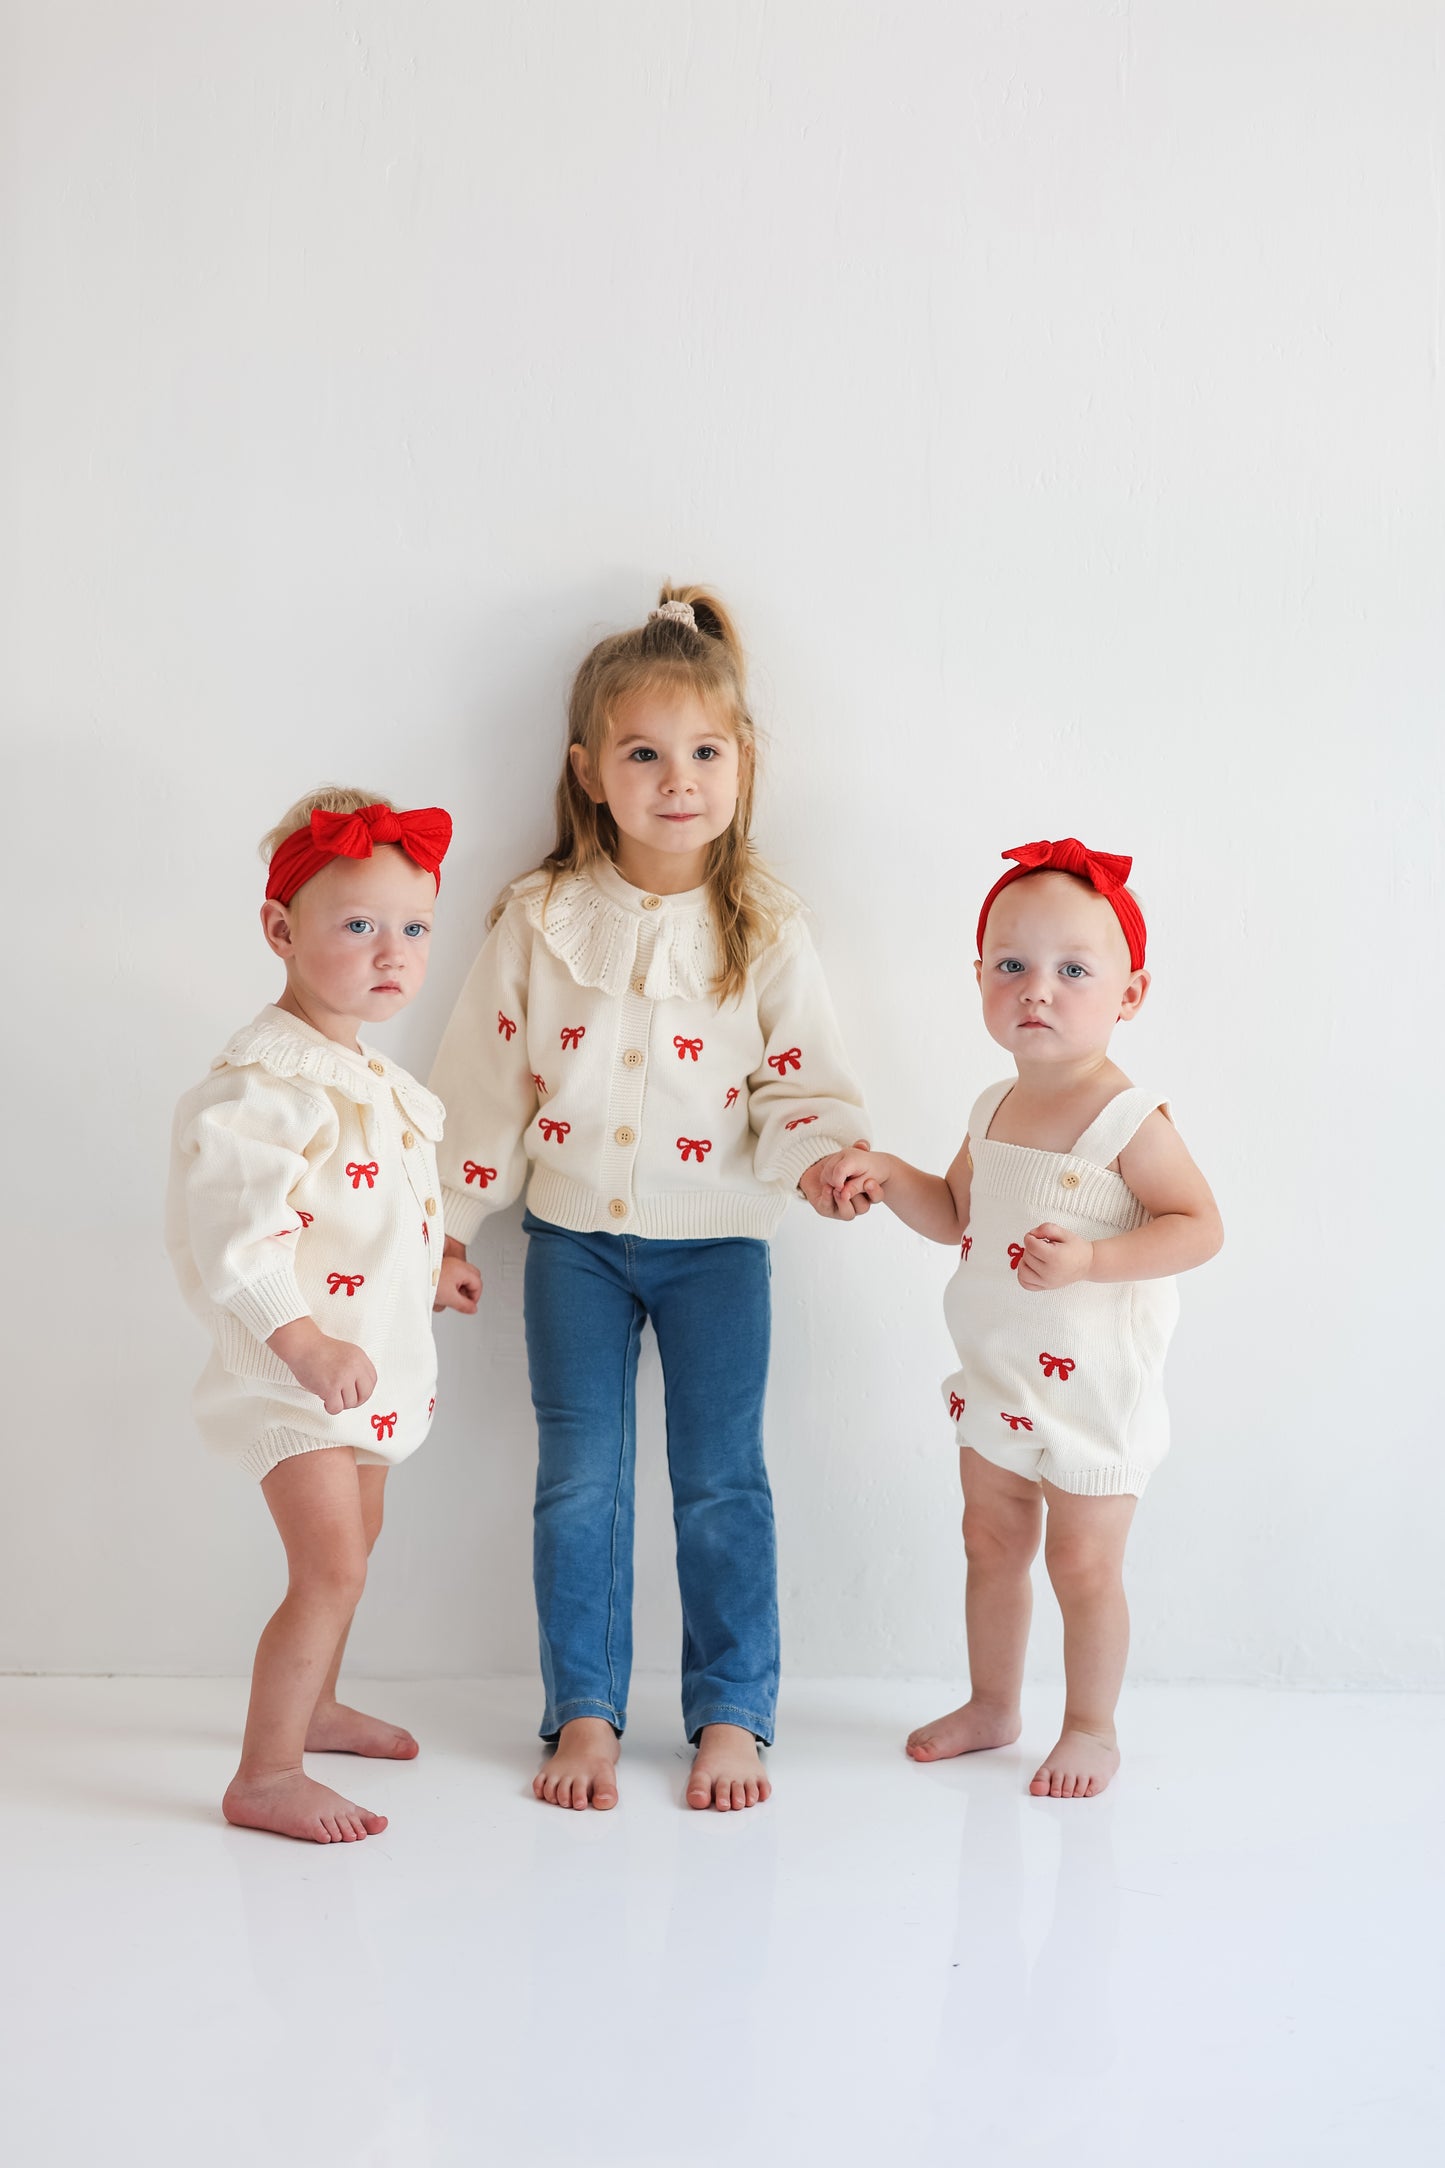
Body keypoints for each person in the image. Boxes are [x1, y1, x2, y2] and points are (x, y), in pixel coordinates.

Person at [431, 587, 869, 1812]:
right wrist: (445, 1228)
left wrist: (828, 1157)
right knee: (579, 1476)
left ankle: (732, 1712)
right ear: (588, 772)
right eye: (642, 753)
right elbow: (481, 1078)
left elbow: (801, 1078)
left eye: (704, 753)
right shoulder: (537, 919)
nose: (676, 779)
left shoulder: (763, 925)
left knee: (722, 1476)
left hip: (719, 1243)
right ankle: (584, 1712)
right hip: (570, 1241)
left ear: (740, 766)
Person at [810, 838, 1223, 1798]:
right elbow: (955, 1214)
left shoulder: (1128, 1123)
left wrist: (1095, 1260)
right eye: (1012, 966)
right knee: (989, 1542)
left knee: (1081, 1561)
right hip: (999, 1376)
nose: (1038, 989)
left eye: (1073, 970)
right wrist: (885, 1176)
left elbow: (1199, 1228)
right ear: (981, 980)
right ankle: (992, 1703)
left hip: (1093, 1392)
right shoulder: (994, 1105)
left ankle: (1090, 1725)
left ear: (1130, 994)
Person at [167, 788, 478, 1842]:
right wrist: (298, 1337)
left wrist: (430, 1263)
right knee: (328, 1564)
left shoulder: (365, 1078)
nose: (392, 952)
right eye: (358, 925)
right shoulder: (263, 1088)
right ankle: (266, 1769)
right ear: (280, 930)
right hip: (290, 1375)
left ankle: (321, 1701)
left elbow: (369, 1208)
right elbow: (238, 1238)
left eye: (413, 928)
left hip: (371, 1369)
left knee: (363, 1539)